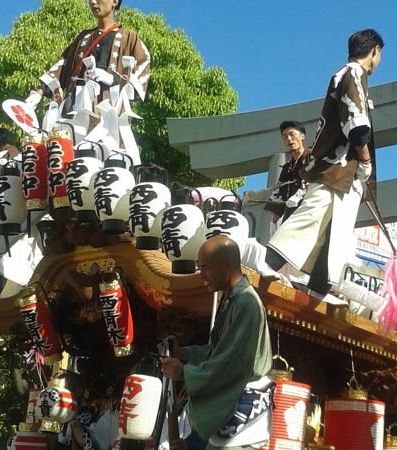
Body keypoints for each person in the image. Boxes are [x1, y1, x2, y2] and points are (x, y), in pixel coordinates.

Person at [265, 29, 383, 296]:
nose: (379, 60)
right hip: (336, 167)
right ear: (374, 50)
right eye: (380, 55)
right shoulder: (352, 73)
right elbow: (356, 123)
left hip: (342, 173)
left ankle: (318, 289)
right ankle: (265, 262)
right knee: (310, 220)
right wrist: (365, 160)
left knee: (332, 234)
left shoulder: (346, 75)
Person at [161, 236, 273, 449]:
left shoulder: (247, 302)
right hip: (231, 411)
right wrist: (183, 353)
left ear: (227, 266)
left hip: (244, 413)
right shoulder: (231, 298)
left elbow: (231, 363)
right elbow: (218, 352)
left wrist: (184, 373)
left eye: (205, 268)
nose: (201, 275)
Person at [25, 0, 150, 123]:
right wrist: (38, 93)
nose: (93, 2)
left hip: (109, 108)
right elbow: (63, 65)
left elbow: (142, 67)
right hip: (75, 104)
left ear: (115, 1)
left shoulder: (129, 37)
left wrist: (114, 79)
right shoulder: (83, 37)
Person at [264, 121, 314, 235]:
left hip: (309, 212)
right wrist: (274, 222)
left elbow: (320, 179)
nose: (289, 138)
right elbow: (280, 191)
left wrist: (301, 193)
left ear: (302, 136)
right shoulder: (287, 167)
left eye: (292, 134)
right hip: (290, 215)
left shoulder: (312, 156)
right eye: (285, 136)